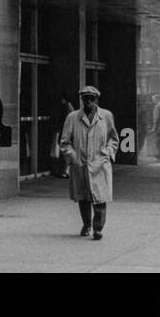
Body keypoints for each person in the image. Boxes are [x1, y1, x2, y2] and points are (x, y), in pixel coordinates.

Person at [58, 85, 118, 241]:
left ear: (97, 100)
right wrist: (73, 158)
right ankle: (86, 224)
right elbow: (64, 142)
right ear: (82, 100)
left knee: (100, 198)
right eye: (86, 99)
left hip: (100, 164)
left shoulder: (106, 116)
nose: (89, 102)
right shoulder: (72, 117)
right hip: (80, 164)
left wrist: (108, 152)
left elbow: (114, 138)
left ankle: (98, 228)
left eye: (92, 99)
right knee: (83, 198)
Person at [50, 91, 75, 178]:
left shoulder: (66, 108)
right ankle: (66, 171)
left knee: (63, 152)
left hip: (65, 133)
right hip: (69, 133)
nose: (61, 100)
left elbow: (64, 122)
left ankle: (65, 171)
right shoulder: (71, 108)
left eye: (62, 98)